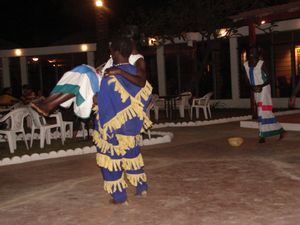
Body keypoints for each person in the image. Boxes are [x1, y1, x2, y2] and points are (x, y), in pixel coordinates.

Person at [93, 36, 152, 205]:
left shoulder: (110, 76)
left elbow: (101, 103)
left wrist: (93, 99)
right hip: (132, 127)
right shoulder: (138, 74)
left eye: (111, 50)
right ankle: (142, 188)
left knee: (110, 161)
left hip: (112, 129)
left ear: (116, 52)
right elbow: (145, 97)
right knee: (132, 156)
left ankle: (119, 197)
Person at [243, 46, 286, 143]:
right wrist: (252, 87)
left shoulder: (262, 64)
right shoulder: (245, 65)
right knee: (263, 112)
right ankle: (279, 130)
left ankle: (262, 135)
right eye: (250, 51)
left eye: (253, 51)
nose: (251, 53)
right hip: (255, 90)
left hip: (264, 89)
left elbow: (270, 78)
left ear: (258, 53)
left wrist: (261, 86)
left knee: (262, 111)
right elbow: (246, 80)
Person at [31, 64, 102, 118]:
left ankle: (49, 105)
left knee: (85, 77)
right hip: (97, 78)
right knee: (82, 69)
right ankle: (45, 102)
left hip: (100, 88)